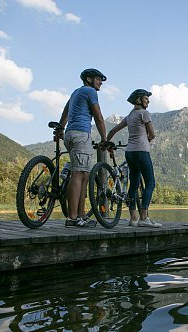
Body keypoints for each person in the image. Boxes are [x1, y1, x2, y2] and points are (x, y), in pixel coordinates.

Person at [58, 68, 108, 227]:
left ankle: (81, 216)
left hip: (71, 134)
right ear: (89, 79)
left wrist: (60, 128)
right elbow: (99, 117)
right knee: (78, 174)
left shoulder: (75, 92)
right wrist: (104, 139)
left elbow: (65, 112)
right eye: (98, 79)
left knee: (84, 175)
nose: (100, 82)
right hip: (81, 134)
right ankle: (72, 218)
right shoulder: (90, 91)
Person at [106, 89, 161, 227]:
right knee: (150, 183)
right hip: (142, 151)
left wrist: (106, 143)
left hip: (129, 153)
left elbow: (113, 130)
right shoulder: (144, 113)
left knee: (134, 185)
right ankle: (144, 218)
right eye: (146, 98)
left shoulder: (130, 116)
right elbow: (152, 134)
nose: (148, 101)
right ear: (139, 100)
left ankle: (133, 218)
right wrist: (147, 140)